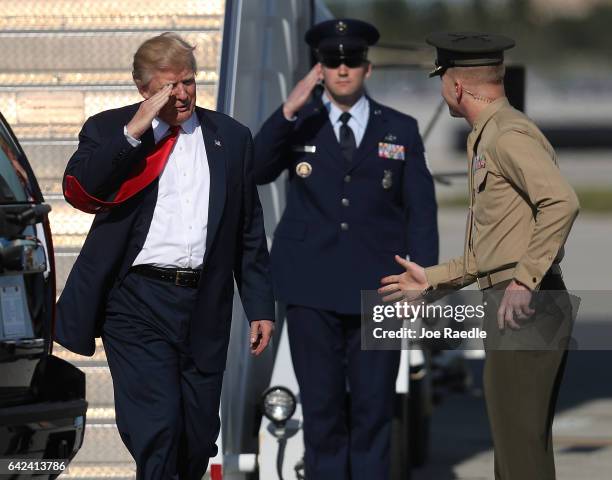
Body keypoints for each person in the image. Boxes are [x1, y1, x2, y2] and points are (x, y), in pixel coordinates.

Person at [55, 32, 275, 479]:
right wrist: (136, 129)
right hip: (136, 302)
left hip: (204, 305)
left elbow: (248, 229)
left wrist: (259, 306)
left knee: (196, 435)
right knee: (157, 427)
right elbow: (83, 188)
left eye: (188, 82)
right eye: (168, 86)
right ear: (144, 90)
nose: (182, 94)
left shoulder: (230, 138)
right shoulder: (108, 131)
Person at [380, 32, 580, 480]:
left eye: (441, 79)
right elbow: (492, 248)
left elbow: (561, 203)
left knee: (520, 457)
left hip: (527, 304)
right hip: (518, 303)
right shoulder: (490, 134)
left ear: (455, 87)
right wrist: (432, 280)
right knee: (517, 452)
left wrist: (525, 281)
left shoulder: (506, 136)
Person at [254, 19, 438, 480]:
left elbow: (421, 211)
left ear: (367, 68)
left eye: (351, 61)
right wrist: (289, 109)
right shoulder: (300, 125)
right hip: (311, 290)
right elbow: (255, 168)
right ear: (320, 68)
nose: (341, 69)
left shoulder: (400, 129)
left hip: (381, 292)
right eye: (331, 61)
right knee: (322, 413)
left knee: (375, 412)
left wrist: (424, 279)